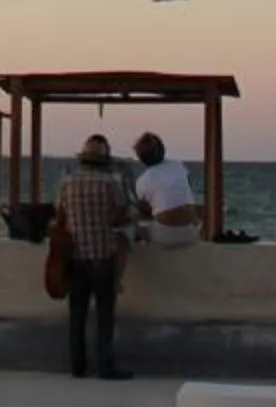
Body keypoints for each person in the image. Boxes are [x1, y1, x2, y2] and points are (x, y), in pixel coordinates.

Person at [53, 134, 133, 379]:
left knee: (77, 314)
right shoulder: (111, 183)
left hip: (76, 256)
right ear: (104, 160)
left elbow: (60, 215)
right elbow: (121, 216)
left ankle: (78, 365)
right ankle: (105, 366)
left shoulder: (68, 183)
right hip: (103, 255)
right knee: (104, 315)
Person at [130, 132, 201, 248]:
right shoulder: (178, 166)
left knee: (133, 227)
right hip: (191, 232)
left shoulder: (143, 180)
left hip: (165, 235)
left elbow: (143, 209)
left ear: (141, 157)